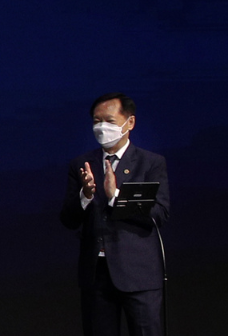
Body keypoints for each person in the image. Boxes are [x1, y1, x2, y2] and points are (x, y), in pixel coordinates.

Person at [60, 93, 169, 336]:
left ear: (129, 122)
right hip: (96, 276)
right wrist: (85, 196)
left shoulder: (150, 163)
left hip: (139, 275)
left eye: (109, 121)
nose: (101, 128)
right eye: (96, 121)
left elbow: (159, 214)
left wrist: (115, 197)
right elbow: (68, 219)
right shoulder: (81, 164)